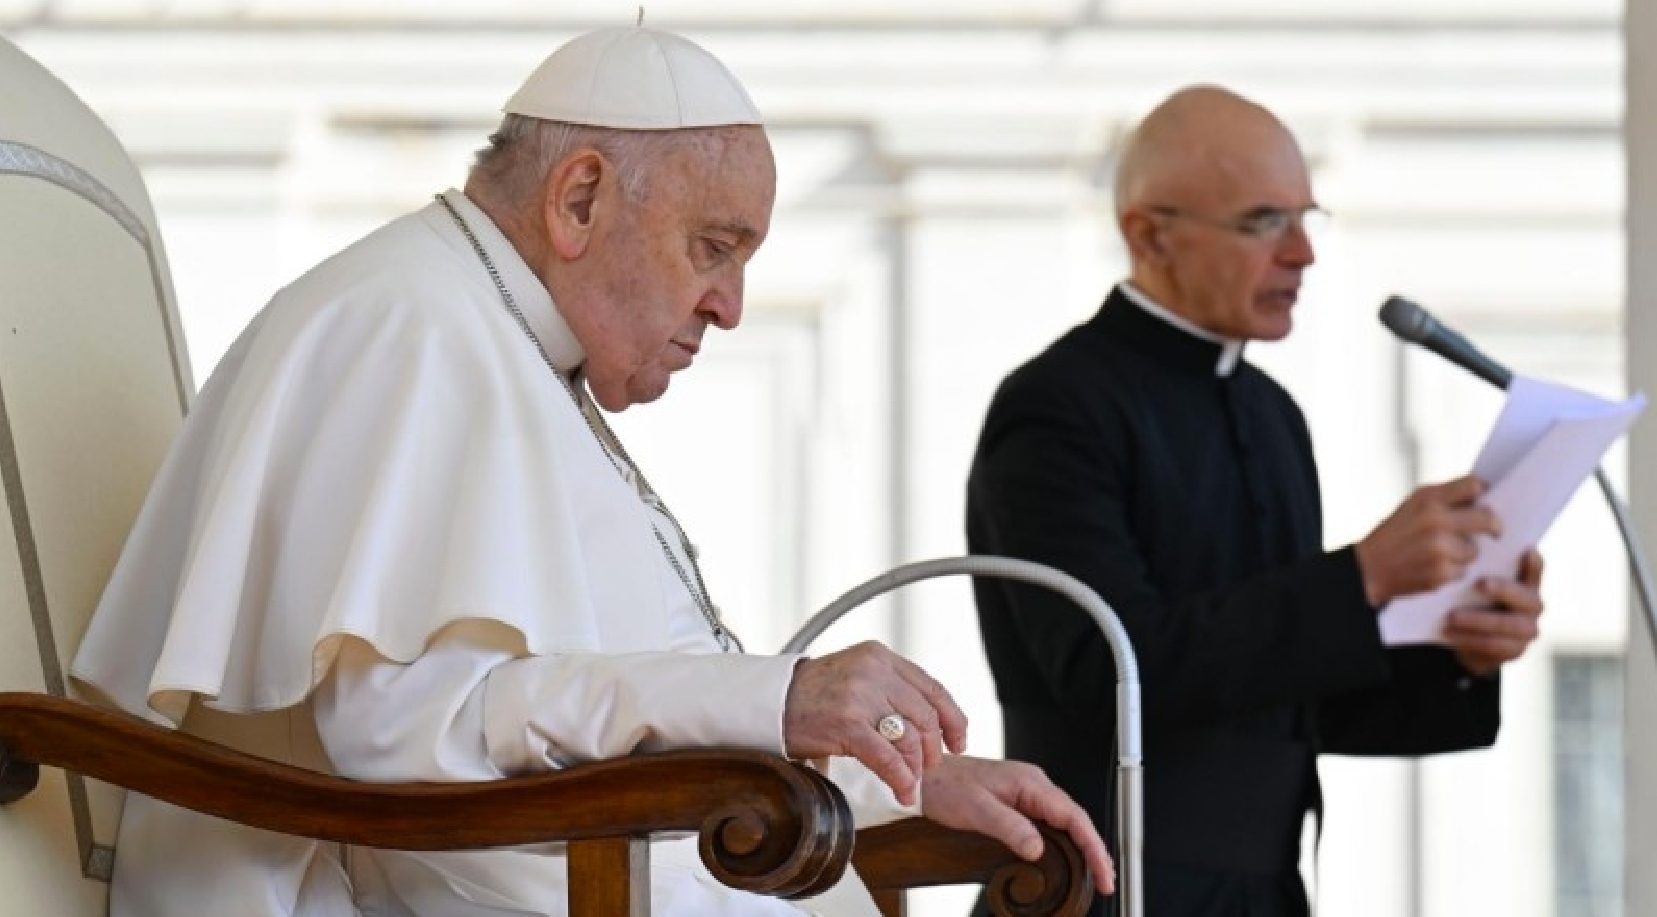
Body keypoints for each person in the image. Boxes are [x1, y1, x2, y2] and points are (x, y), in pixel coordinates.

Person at [69, 26, 1113, 917]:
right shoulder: (410, 327)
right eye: (713, 247)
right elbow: (405, 735)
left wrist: (895, 786)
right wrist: (779, 696)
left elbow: (615, 695)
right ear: (579, 199)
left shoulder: (509, 341)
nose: (729, 306)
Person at [966, 85, 1544, 917]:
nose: (1301, 252)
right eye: (1264, 221)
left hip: (1264, 893)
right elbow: (1108, 667)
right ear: (1149, 234)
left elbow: (1280, 696)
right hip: (1098, 888)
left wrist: (1458, 652)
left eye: (1306, 218)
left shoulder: (1273, 416)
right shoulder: (1058, 405)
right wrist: (1361, 578)